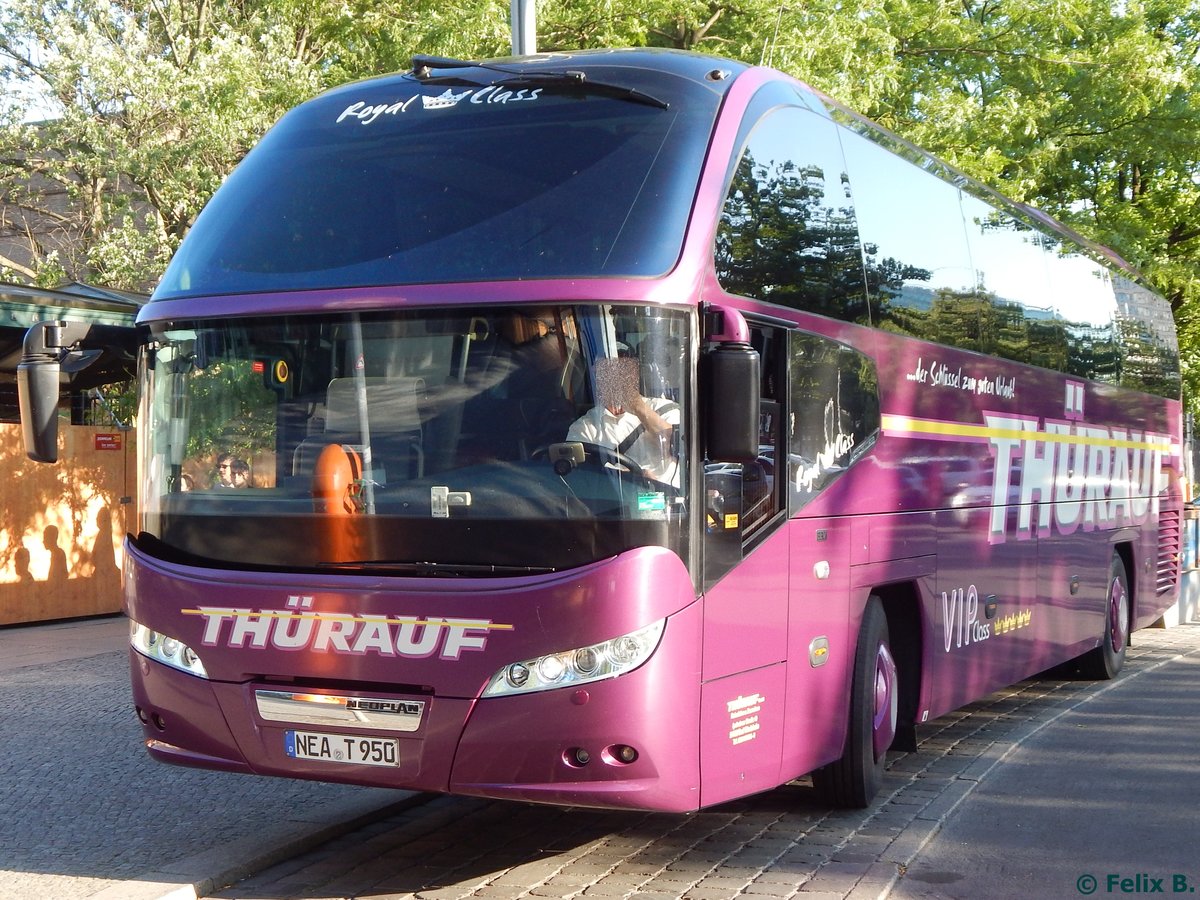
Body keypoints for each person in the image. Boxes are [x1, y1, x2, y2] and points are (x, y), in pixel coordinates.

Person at [566, 356, 679, 485]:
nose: (616, 381)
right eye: (607, 374)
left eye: (623, 373)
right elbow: (580, 475)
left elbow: (677, 444)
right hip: (616, 499)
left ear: (634, 377)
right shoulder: (585, 427)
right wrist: (636, 477)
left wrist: (638, 407)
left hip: (670, 495)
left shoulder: (665, 409)